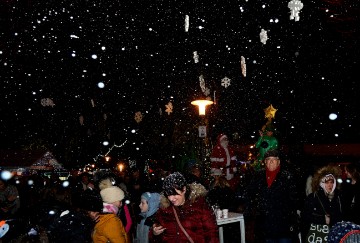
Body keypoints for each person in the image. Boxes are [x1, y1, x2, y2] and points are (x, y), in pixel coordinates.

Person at [245, 149, 300, 243]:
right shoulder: (258, 176)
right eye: (268, 159)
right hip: (265, 226)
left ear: (278, 162)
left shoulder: (287, 176)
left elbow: (293, 200)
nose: (270, 162)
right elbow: (250, 195)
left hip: (283, 225)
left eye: (273, 159)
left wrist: (291, 220)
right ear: (265, 162)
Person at [151, 172, 219, 243]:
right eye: (168, 194)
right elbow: (156, 237)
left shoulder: (199, 205)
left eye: (174, 194)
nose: (171, 199)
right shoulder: (164, 209)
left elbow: (212, 232)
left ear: (184, 189)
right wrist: (155, 233)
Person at [301, 165, 343, 240]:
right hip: (317, 235)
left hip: (332, 234)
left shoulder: (337, 197)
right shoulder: (313, 196)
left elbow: (339, 216)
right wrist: (323, 219)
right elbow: (305, 215)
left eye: (332, 182)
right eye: (327, 182)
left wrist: (332, 219)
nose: (330, 185)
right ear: (322, 183)